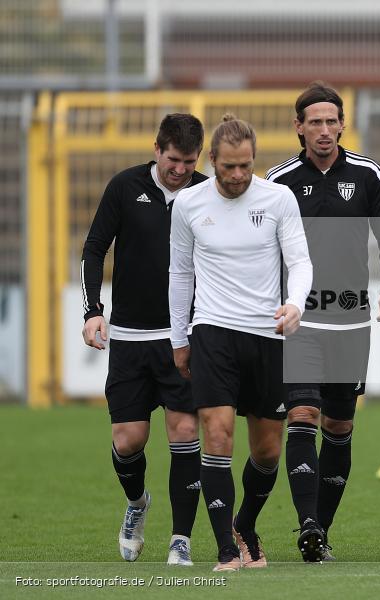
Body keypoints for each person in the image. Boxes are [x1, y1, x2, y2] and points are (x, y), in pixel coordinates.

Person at [168, 114, 313, 572]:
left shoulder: (278, 199)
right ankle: (226, 551)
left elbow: (300, 260)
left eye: (245, 166)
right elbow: (180, 274)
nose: (237, 176)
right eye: (228, 167)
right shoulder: (189, 204)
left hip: (267, 334)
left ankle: (244, 523)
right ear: (211, 161)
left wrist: (294, 304)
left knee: (268, 452)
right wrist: (179, 338)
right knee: (217, 435)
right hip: (212, 332)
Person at [266, 82, 380, 561]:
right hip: (299, 319)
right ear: (299, 127)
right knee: (301, 415)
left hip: (349, 319)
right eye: (314, 122)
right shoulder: (279, 180)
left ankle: (319, 530)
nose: (324, 131)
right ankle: (307, 521)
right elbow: (263, 249)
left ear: (343, 124)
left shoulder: (366, 174)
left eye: (332, 121)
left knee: (340, 427)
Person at [81, 113, 206, 566]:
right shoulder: (124, 186)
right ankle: (136, 504)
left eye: (189, 162)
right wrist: (93, 310)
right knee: (129, 439)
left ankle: (181, 539)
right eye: (173, 160)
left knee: (185, 431)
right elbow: (95, 248)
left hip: (185, 336)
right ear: (157, 150)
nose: (180, 170)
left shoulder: (207, 192)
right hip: (131, 337)